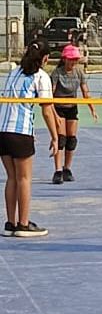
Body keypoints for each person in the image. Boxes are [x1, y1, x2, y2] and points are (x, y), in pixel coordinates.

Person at [0, 39, 58, 238]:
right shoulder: (41, 77)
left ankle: (10, 223)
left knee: (12, 178)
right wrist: (55, 137)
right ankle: (23, 225)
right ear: (45, 58)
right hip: (20, 132)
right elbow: (47, 110)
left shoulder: (13, 72)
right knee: (24, 179)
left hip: (2, 131)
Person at [49, 44, 98, 184]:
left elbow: (85, 92)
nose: (73, 62)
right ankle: (57, 170)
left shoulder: (79, 72)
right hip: (58, 107)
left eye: (75, 59)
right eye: (71, 59)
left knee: (71, 140)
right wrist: (54, 114)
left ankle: (67, 169)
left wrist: (92, 109)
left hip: (71, 107)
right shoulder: (57, 73)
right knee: (61, 139)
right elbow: (49, 96)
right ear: (64, 59)